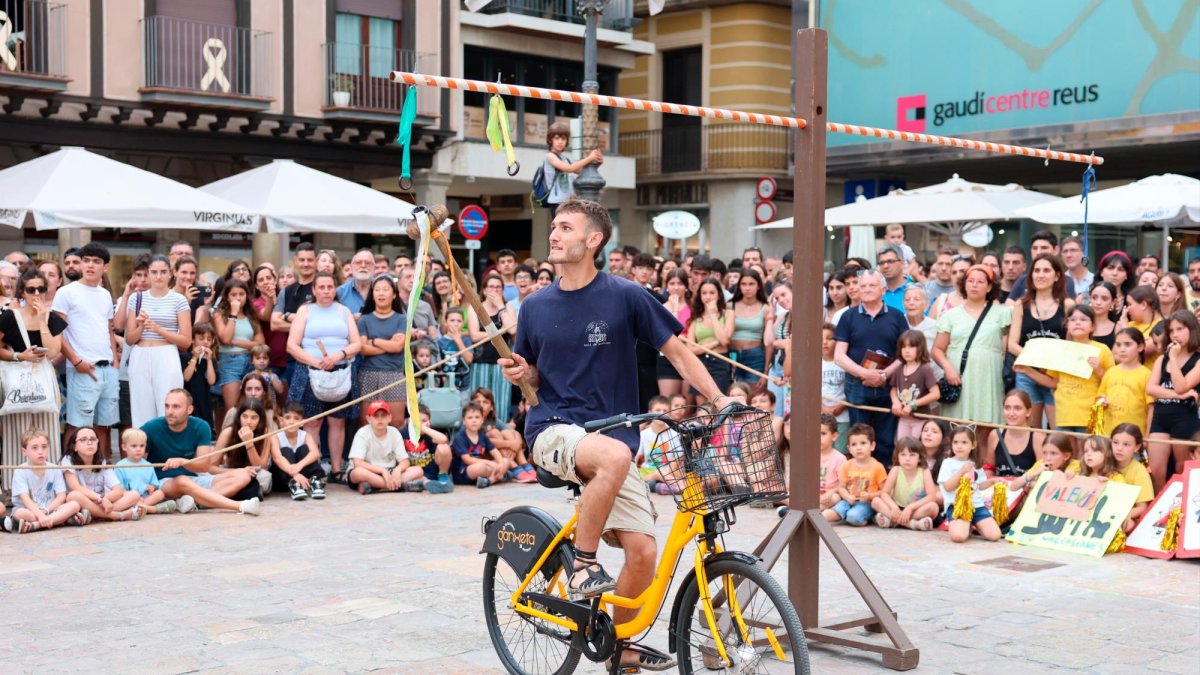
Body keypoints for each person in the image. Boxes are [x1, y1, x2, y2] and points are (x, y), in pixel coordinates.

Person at [502, 198, 732, 670]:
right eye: (554, 226)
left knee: (643, 553)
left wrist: (719, 399)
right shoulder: (534, 307)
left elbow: (678, 352)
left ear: (593, 240)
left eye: (566, 227)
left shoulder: (626, 295)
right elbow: (534, 378)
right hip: (553, 429)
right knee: (614, 456)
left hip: (612, 436)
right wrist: (523, 373)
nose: (554, 234)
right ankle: (584, 562)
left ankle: (618, 646)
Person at [287, 270, 362, 480]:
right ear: (314, 290)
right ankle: (314, 468)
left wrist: (338, 355)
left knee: (338, 421)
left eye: (330, 287)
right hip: (309, 371)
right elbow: (292, 345)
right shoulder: (304, 311)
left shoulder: (344, 311)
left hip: (341, 371)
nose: (326, 291)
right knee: (312, 423)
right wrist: (316, 363)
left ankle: (337, 469)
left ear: (335, 289)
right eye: (321, 287)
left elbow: (357, 343)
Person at [53, 242, 119, 461]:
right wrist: (76, 361)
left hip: (107, 368)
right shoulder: (66, 292)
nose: (90, 265)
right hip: (83, 368)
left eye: (96, 261)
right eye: (86, 260)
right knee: (77, 426)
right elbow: (56, 331)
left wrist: (115, 361)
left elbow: (108, 329)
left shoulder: (105, 294)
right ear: (81, 263)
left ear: (105, 267)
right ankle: (68, 470)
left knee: (104, 426)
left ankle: (102, 470)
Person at [834, 269, 908, 465]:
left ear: (883, 289)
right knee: (859, 437)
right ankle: (860, 477)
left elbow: (905, 353)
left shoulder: (897, 316)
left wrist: (884, 375)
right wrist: (864, 373)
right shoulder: (848, 316)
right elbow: (839, 356)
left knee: (885, 439)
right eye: (863, 286)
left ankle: (883, 477)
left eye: (872, 285)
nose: (866, 289)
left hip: (889, 385)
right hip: (857, 384)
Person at [145, 389, 260, 515]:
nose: (169, 412)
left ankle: (195, 503)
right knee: (181, 480)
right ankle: (240, 506)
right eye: (167, 406)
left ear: (189, 410)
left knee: (243, 475)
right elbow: (136, 459)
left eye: (176, 407)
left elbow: (203, 466)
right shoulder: (150, 428)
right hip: (162, 483)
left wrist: (182, 462)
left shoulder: (201, 426)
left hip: (193, 479)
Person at [0, 268, 67, 483]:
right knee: (16, 431)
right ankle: (14, 485)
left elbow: (54, 351)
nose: (36, 293)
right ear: (22, 292)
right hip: (17, 377)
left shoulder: (51, 317)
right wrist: (19, 356)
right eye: (31, 289)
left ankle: (50, 483)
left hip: (43, 375)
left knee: (48, 428)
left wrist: (42, 320)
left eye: (41, 288)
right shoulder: (10, 317)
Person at [932, 265, 1011, 434]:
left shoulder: (1003, 313)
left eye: (980, 282)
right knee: (957, 430)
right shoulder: (950, 315)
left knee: (987, 431)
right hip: (959, 377)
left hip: (989, 377)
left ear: (989, 287)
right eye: (970, 281)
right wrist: (948, 368)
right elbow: (937, 349)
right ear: (964, 284)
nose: (974, 285)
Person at [122, 255, 192, 428]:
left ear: (171, 273)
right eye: (154, 272)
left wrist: (158, 329)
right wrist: (142, 326)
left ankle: (167, 444)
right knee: (140, 410)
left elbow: (186, 341)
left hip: (167, 354)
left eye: (163, 272)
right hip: (140, 354)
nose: (158, 276)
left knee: (169, 407)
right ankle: (142, 444)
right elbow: (130, 339)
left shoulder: (179, 299)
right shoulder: (136, 298)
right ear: (149, 273)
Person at [1020, 306, 1113, 434]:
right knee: (1064, 446)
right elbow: (1053, 382)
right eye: (1073, 319)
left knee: (1089, 446)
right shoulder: (1061, 349)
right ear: (1067, 325)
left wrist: (1099, 370)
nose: (1078, 322)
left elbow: (1113, 382)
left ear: (1092, 326)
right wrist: (1027, 370)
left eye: (1083, 319)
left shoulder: (1102, 350)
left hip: (1092, 413)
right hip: (1064, 414)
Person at [1008, 254, 1073, 429]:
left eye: (1046, 270)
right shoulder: (1021, 305)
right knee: (1031, 430)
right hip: (1027, 373)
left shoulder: (1067, 305)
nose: (1040, 275)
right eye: (1036, 271)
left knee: (1059, 431)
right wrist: (1038, 360)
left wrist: (1050, 364)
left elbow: (1072, 343)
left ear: (1057, 276)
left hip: (1056, 375)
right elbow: (1012, 345)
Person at [1145, 311, 1200, 491]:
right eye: (1171, 330)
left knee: (1181, 468)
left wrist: (1174, 359)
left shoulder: (1197, 360)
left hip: (1184, 418)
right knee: (1156, 470)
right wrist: (1178, 396)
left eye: (1180, 329)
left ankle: (1180, 505)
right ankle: (1160, 505)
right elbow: (1150, 388)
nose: (1175, 334)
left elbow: (1181, 386)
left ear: (1192, 330)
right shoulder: (1162, 359)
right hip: (1160, 417)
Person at [3, 429, 84, 533]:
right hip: (30, 511)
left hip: (51, 509)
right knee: (20, 514)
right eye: (35, 448)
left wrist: (46, 511)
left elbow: (61, 495)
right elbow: (25, 499)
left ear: (48, 448)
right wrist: (40, 515)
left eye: (44, 447)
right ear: (24, 451)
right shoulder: (20, 471)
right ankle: (62, 520)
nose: (40, 451)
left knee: (75, 505)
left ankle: (36, 525)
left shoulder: (55, 468)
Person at [356, 275, 408, 425]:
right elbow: (363, 349)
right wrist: (389, 344)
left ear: (394, 294)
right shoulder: (364, 319)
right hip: (368, 374)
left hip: (394, 374)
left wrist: (375, 341)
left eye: (385, 289)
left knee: (396, 422)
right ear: (372, 295)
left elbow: (398, 347)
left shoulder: (402, 319)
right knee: (366, 422)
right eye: (377, 290)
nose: (381, 293)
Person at [62, 426, 142, 522]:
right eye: (83, 439)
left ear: (97, 443)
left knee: (134, 494)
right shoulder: (68, 460)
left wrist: (104, 499)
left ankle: (94, 514)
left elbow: (118, 490)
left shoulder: (102, 461)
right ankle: (117, 515)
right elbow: (75, 487)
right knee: (73, 496)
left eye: (93, 439)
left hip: (100, 502)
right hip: (84, 500)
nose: (89, 442)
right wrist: (100, 499)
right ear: (75, 446)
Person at [936, 426, 1002, 543]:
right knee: (959, 537)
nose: (959, 446)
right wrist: (961, 472)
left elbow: (979, 486)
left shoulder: (975, 464)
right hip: (958, 506)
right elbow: (948, 487)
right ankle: (964, 524)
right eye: (955, 442)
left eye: (964, 442)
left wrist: (992, 481)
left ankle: (973, 523)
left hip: (977, 506)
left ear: (973, 445)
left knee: (995, 535)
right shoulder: (948, 463)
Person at [821, 423, 887, 526]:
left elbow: (885, 491)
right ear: (849, 448)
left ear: (872, 446)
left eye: (863, 443)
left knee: (853, 516)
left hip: (866, 504)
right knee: (826, 515)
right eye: (854, 444)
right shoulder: (847, 465)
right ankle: (841, 516)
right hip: (847, 501)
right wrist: (847, 496)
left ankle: (869, 518)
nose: (858, 448)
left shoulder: (877, 467)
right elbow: (841, 487)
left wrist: (869, 496)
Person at [272, 243, 318, 385]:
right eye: (302, 260)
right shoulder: (286, 291)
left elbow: (320, 322)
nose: (306, 264)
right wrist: (304, 324)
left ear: (316, 261)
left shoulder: (322, 288)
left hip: (318, 358)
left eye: (310, 260)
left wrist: (288, 316)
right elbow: (274, 324)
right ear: (295, 261)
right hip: (293, 358)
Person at [871, 437, 939, 531]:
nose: (907, 459)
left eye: (912, 455)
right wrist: (894, 507)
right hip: (896, 508)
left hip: (915, 509)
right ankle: (911, 524)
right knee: (875, 501)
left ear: (919, 458)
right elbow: (884, 493)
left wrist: (910, 508)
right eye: (903, 454)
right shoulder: (896, 470)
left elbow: (931, 497)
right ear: (898, 457)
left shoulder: (924, 471)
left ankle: (893, 521)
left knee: (933, 507)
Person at [214, 397, 274, 497]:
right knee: (207, 476)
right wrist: (239, 471)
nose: (248, 422)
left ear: (260, 420)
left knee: (265, 477)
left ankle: (234, 491)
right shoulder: (228, 432)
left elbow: (261, 466)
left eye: (254, 418)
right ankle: (247, 491)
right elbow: (211, 468)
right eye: (244, 416)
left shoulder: (265, 432)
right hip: (231, 472)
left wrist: (249, 443)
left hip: (254, 473)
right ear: (239, 417)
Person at [1097, 328, 1152, 435]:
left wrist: (1148, 435)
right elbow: (1099, 398)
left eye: (1127, 344)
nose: (1122, 349)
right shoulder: (1110, 372)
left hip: (1133, 435)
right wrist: (1101, 401)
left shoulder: (1147, 375)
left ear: (1140, 347)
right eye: (1118, 345)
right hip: (1107, 434)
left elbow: (1151, 408)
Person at [471, 387, 533, 481]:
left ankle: (524, 464)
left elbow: (513, 432)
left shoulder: (493, 420)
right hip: (478, 455)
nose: (481, 405)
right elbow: (484, 441)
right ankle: (514, 467)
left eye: (485, 402)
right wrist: (510, 444)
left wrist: (516, 442)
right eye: (478, 402)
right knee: (494, 432)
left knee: (507, 433)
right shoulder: (471, 421)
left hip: (498, 456)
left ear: (491, 407)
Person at [269, 401, 327, 500]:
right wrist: (294, 473)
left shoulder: (305, 435)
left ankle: (315, 481)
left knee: (303, 449)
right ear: (281, 420)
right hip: (283, 480)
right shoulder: (275, 437)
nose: (291, 422)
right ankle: (294, 484)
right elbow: (277, 458)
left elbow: (315, 453)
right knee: (286, 451)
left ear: (302, 422)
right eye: (287, 417)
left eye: (296, 418)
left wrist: (299, 466)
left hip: (303, 476)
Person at [889, 329, 940, 443]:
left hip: (920, 419)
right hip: (903, 419)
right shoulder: (899, 368)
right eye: (903, 347)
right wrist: (895, 401)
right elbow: (893, 389)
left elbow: (935, 394)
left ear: (920, 348)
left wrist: (913, 405)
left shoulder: (925, 369)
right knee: (902, 446)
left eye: (911, 346)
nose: (907, 351)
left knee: (917, 447)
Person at [114, 428, 178, 515]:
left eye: (142, 446)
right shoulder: (120, 466)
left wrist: (152, 487)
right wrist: (132, 496)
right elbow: (119, 490)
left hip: (146, 498)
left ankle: (139, 508)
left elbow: (154, 483)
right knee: (129, 499)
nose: (138, 449)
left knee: (160, 493)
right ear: (124, 447)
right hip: (129, 498)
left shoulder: (148, 465)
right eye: (134, 446)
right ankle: (153, 509)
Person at [986, 390, 1045, 476]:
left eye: (1017, 408)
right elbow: (989, 468)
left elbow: (1042, 473)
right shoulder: (995, 435)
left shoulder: (1038, 438)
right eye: (1007, 408)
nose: (1011, 413)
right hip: (999, 484)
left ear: (1028, 412)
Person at [1005, 231, 1076, 302]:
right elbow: (1009, 303)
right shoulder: (1023, 280)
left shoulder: (1066, 282)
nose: (1038, 252)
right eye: (1035, 248)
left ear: (1056, 250)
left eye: (1044, 248)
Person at [399, 403, 455, 494]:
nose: (426, 423)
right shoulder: (402, 434)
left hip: (432, 471)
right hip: (415, 473)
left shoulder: (430, 434)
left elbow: (444, 440)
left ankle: (443, 477)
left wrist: (424, 429)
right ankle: (429, 484)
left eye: (427, 421)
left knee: (444, 447)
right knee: (417, 474)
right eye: (422, 421)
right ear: (410, 420)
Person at [450, 402, 505, 488]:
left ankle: (490, 480)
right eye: (470, 418)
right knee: (481, 467)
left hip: (481, 468)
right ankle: (497, 476)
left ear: (482, 420)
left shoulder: (482, 436)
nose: (474, 420)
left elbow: (494, 452)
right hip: (463, 473)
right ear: (464, 421)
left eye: (477, 417)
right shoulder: (460, 437)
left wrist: (501, 464)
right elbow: (468, 460)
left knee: (505, 461)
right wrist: (490, 463)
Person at [656, 269, 692, 400]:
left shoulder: (693, 307)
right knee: (669, 403)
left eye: (680, 283)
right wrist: (675, 309)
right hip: (667, 358)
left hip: (689, 357)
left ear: (686, 286)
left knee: (687, 404)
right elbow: (671, 333)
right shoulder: (661, 307)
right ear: (666, 286)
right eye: (672, 283)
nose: (676, 287)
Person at [1110, 424, 1153, 533]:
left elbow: (1142, 507)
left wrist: (1121, 515)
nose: (1119, 448)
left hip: (1124, 515)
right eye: (1115, 442)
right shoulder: (1103, 462)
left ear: (1137, 447)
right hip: (1102, 511)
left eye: (1126, 444)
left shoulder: (1140, 471)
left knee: (1129, 525)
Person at [636, 396, 680, 495]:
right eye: (657, 410)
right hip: (647, 472)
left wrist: (666, 473)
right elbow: (636, 458)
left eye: (665, 410)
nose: (661, 413)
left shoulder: (675, 434)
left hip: (668, 472)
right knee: (657, 474)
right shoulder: (643, 434)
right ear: (650, 413)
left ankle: (659, 487)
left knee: (664, 474)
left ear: (669, 413)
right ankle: (681, 488)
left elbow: (675, 462)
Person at [181, 322, 218, 432]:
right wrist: (194, 357)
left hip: (205, 401)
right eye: (201, 338)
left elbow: (211, 381)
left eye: (209, 339)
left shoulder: (211, 360)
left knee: (205, 428)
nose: (205, 342)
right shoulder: (184, 357)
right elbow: (186, 377)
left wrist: (209, 360)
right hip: (189, 399)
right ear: (193, 339)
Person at [820, 323, 849, 453]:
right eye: (821, 339)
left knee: (841, 452)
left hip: (843, 416)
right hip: (821, 416)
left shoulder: (845, 363)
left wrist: (841, 406)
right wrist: (823, 408)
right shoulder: (815, 363)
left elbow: (851, 389)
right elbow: (811, 392)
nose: (825, 342)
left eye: (829, 338)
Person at [816, 413, 846, 510]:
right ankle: (811, 509)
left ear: (834, 436)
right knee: (786, 494)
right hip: (811, 495)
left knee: (835, 498)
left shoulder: (840, 458)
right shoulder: (809, 456)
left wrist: (831, 492)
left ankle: (808, 510)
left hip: (829, 495)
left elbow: (843, 484)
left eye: (823, 433)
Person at [929, 255, 971, 319]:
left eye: (962, 271)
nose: (958, 276)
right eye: (954, 272)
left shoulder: (982, 300)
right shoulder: (942, 301)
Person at [337, 249, 375, 315]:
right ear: (351, 267)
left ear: (374, 267)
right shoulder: (339, 293)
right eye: (358, 262)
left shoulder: (384, 291)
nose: (363, 266)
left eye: (368, 263)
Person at [877, 244, 910, 311]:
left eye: (890, 261)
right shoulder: (875, 291)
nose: (885, 266)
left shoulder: (916, 289)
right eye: (882, 262)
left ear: (902, 263)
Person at [1089, 281, 1119, 349]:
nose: (1098, 302)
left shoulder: (1118, 328)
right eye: (1094, 297)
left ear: (1113, 302)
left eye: (1104, 299)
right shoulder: (1082, 324)